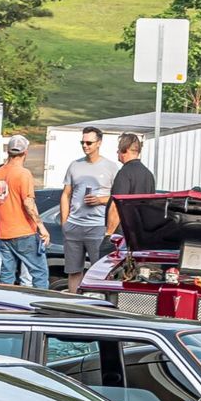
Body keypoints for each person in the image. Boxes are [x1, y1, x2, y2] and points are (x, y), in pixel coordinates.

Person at [61, 125, 119, 291]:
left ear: (99, 143)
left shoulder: (110, 167)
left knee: (99, 272)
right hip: (74, 226)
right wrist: (65, 223)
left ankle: (95, 307)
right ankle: (73, 306)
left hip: (97, 227)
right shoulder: (74, 165)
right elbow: (66, 194)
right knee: (73, 272)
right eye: (82, 142)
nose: (85, 146)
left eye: (89, 143)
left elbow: (117, 198)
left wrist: (100, 200)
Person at [0, 134, 46, 287]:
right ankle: (42, 306)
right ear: (25, 152)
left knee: (6, 275)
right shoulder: (23, 174)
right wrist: (41, 227)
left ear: (8, 151)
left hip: (4, 233)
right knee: (39, 273)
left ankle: (6, 307)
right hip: (24, 233)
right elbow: (28, 203)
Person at [105, 132, 156, 241]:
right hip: (141, 235)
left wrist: (109, 234)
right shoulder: (148, 174)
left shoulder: (124, 173)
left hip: (121, 234)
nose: (117, 152)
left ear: (125, 149)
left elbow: (116, 206)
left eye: (119, 149)